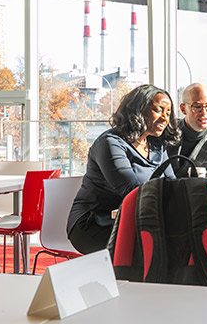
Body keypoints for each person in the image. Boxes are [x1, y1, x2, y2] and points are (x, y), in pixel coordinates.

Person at [67, 84, 180, 254]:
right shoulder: (110, 143)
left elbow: (173, 185)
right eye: (158, 110)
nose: (165, 118)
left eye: (168, 113)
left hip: (135, 219)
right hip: (95, 222)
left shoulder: (156, 145)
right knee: (159, 244)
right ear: (139, 110)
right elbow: (132, 192)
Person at [168, 83, 207, 186]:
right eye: (197, 107)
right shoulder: (168, 130)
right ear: (183, 109)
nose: (204, 113)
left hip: (194, 195)